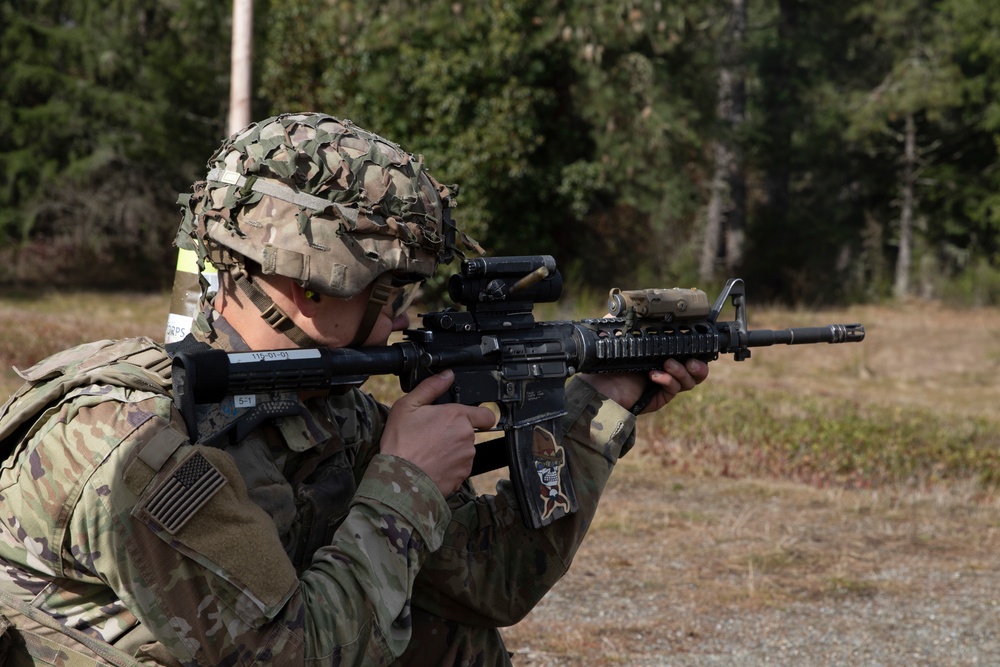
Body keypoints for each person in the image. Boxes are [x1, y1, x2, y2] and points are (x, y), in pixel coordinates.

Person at [0, 112, 708, 666]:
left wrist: (598, 402)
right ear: (310, 282)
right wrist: (403, 484)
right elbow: (289, 656)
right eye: (393, 285)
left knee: (451, 642)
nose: (407, 312)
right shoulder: (136, 446)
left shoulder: (321, 412)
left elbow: (493, 584)